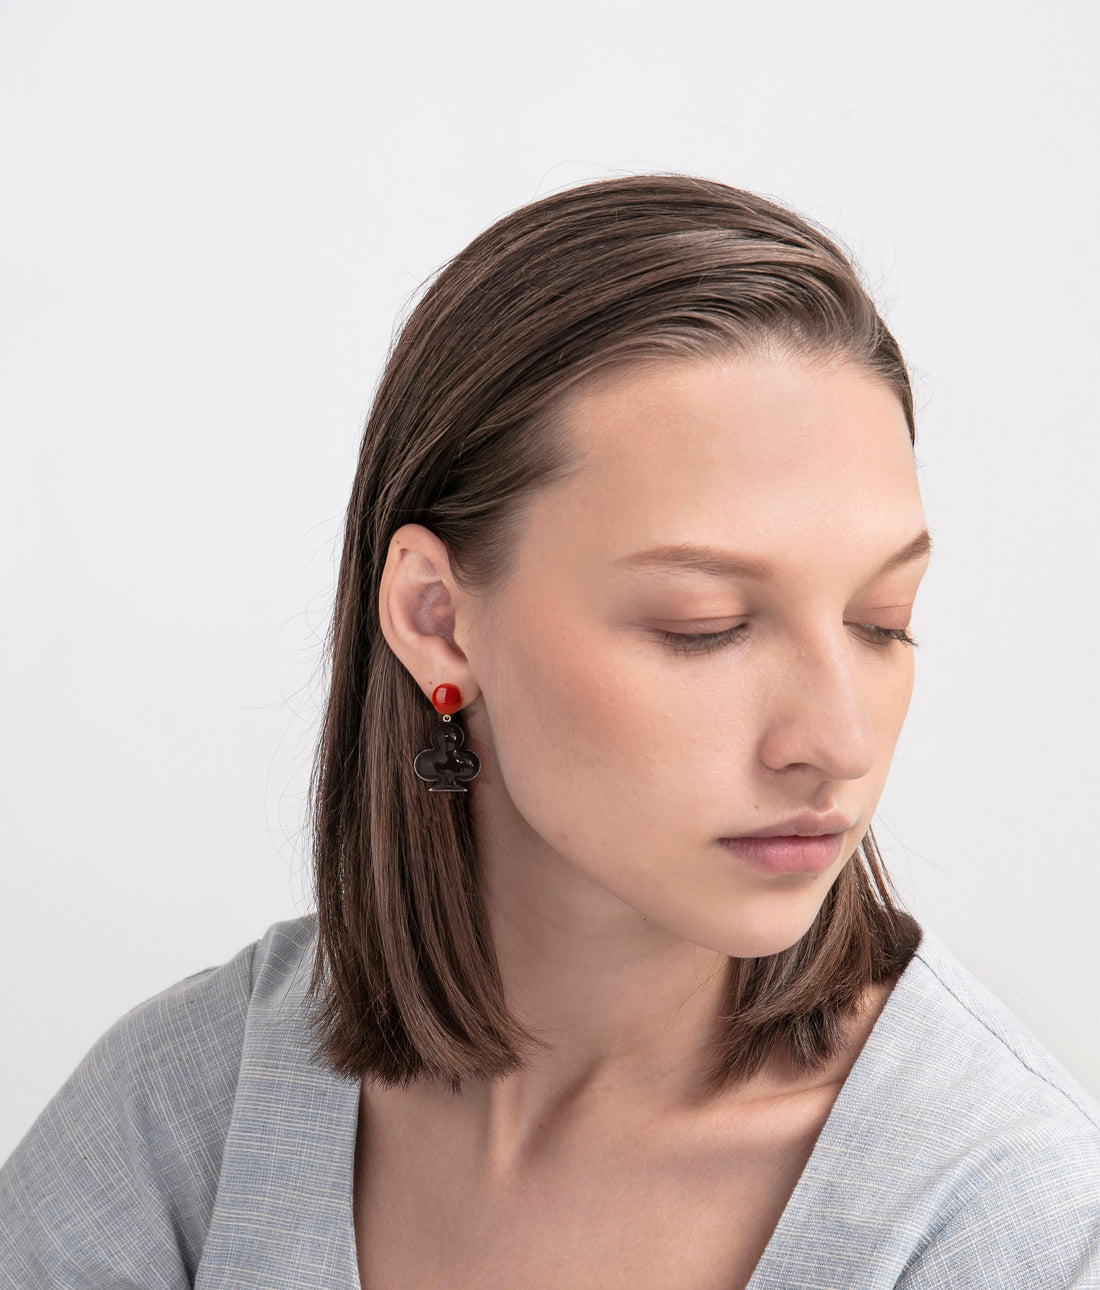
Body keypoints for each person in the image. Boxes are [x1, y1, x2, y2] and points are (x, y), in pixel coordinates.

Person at [2, 174, 1098, 1290]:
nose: (836, 740)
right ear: (437, 619)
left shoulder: (1009, 1220)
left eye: (881, 624)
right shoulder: (185, 1120)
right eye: (704, 627)